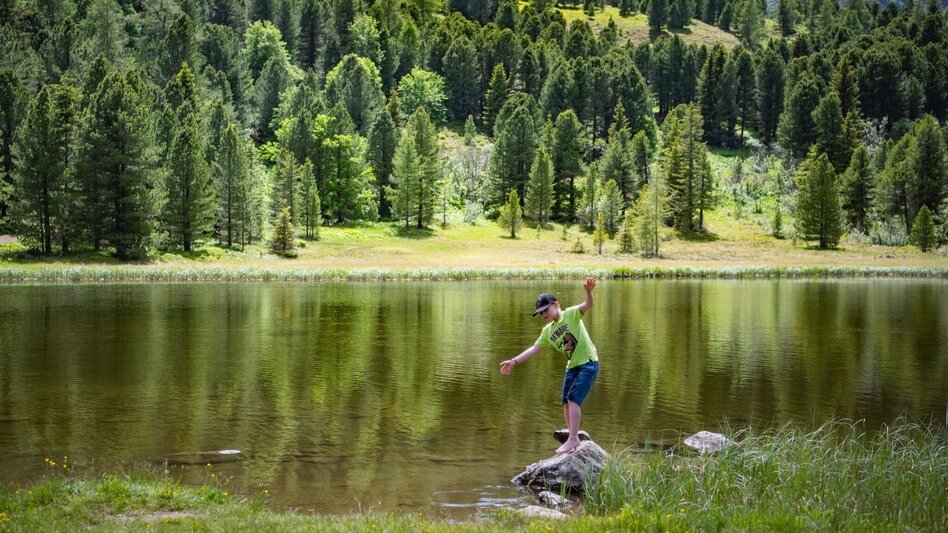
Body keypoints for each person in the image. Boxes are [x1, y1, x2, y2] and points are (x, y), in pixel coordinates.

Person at [500, 278, 599, 455]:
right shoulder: (548, 331)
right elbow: (534, 348)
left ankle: (574, 438)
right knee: (566, 403)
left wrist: (589, 292)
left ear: (556, 305)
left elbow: (588, 305)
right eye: (540, 313)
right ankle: (571, 439)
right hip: (572, 366)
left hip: (588, 363)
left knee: (573, 399)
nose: (543, 314)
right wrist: (514, 361)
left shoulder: (571, 314)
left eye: (545, 310)